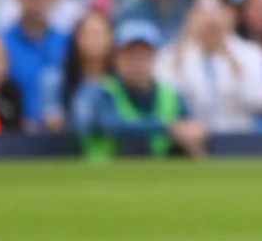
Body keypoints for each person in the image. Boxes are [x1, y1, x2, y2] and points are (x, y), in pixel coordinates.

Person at [70, 18, 208, 160]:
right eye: (130, 55)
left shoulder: (172, 95)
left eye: (143, 55)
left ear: (154, 57)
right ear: (117, 58)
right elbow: (110, 124)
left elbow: (190, 127)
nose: (137, 63)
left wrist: (192, 135)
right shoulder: (100, 92)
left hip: (156, 178)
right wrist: (167, 127)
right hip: (105, 177)